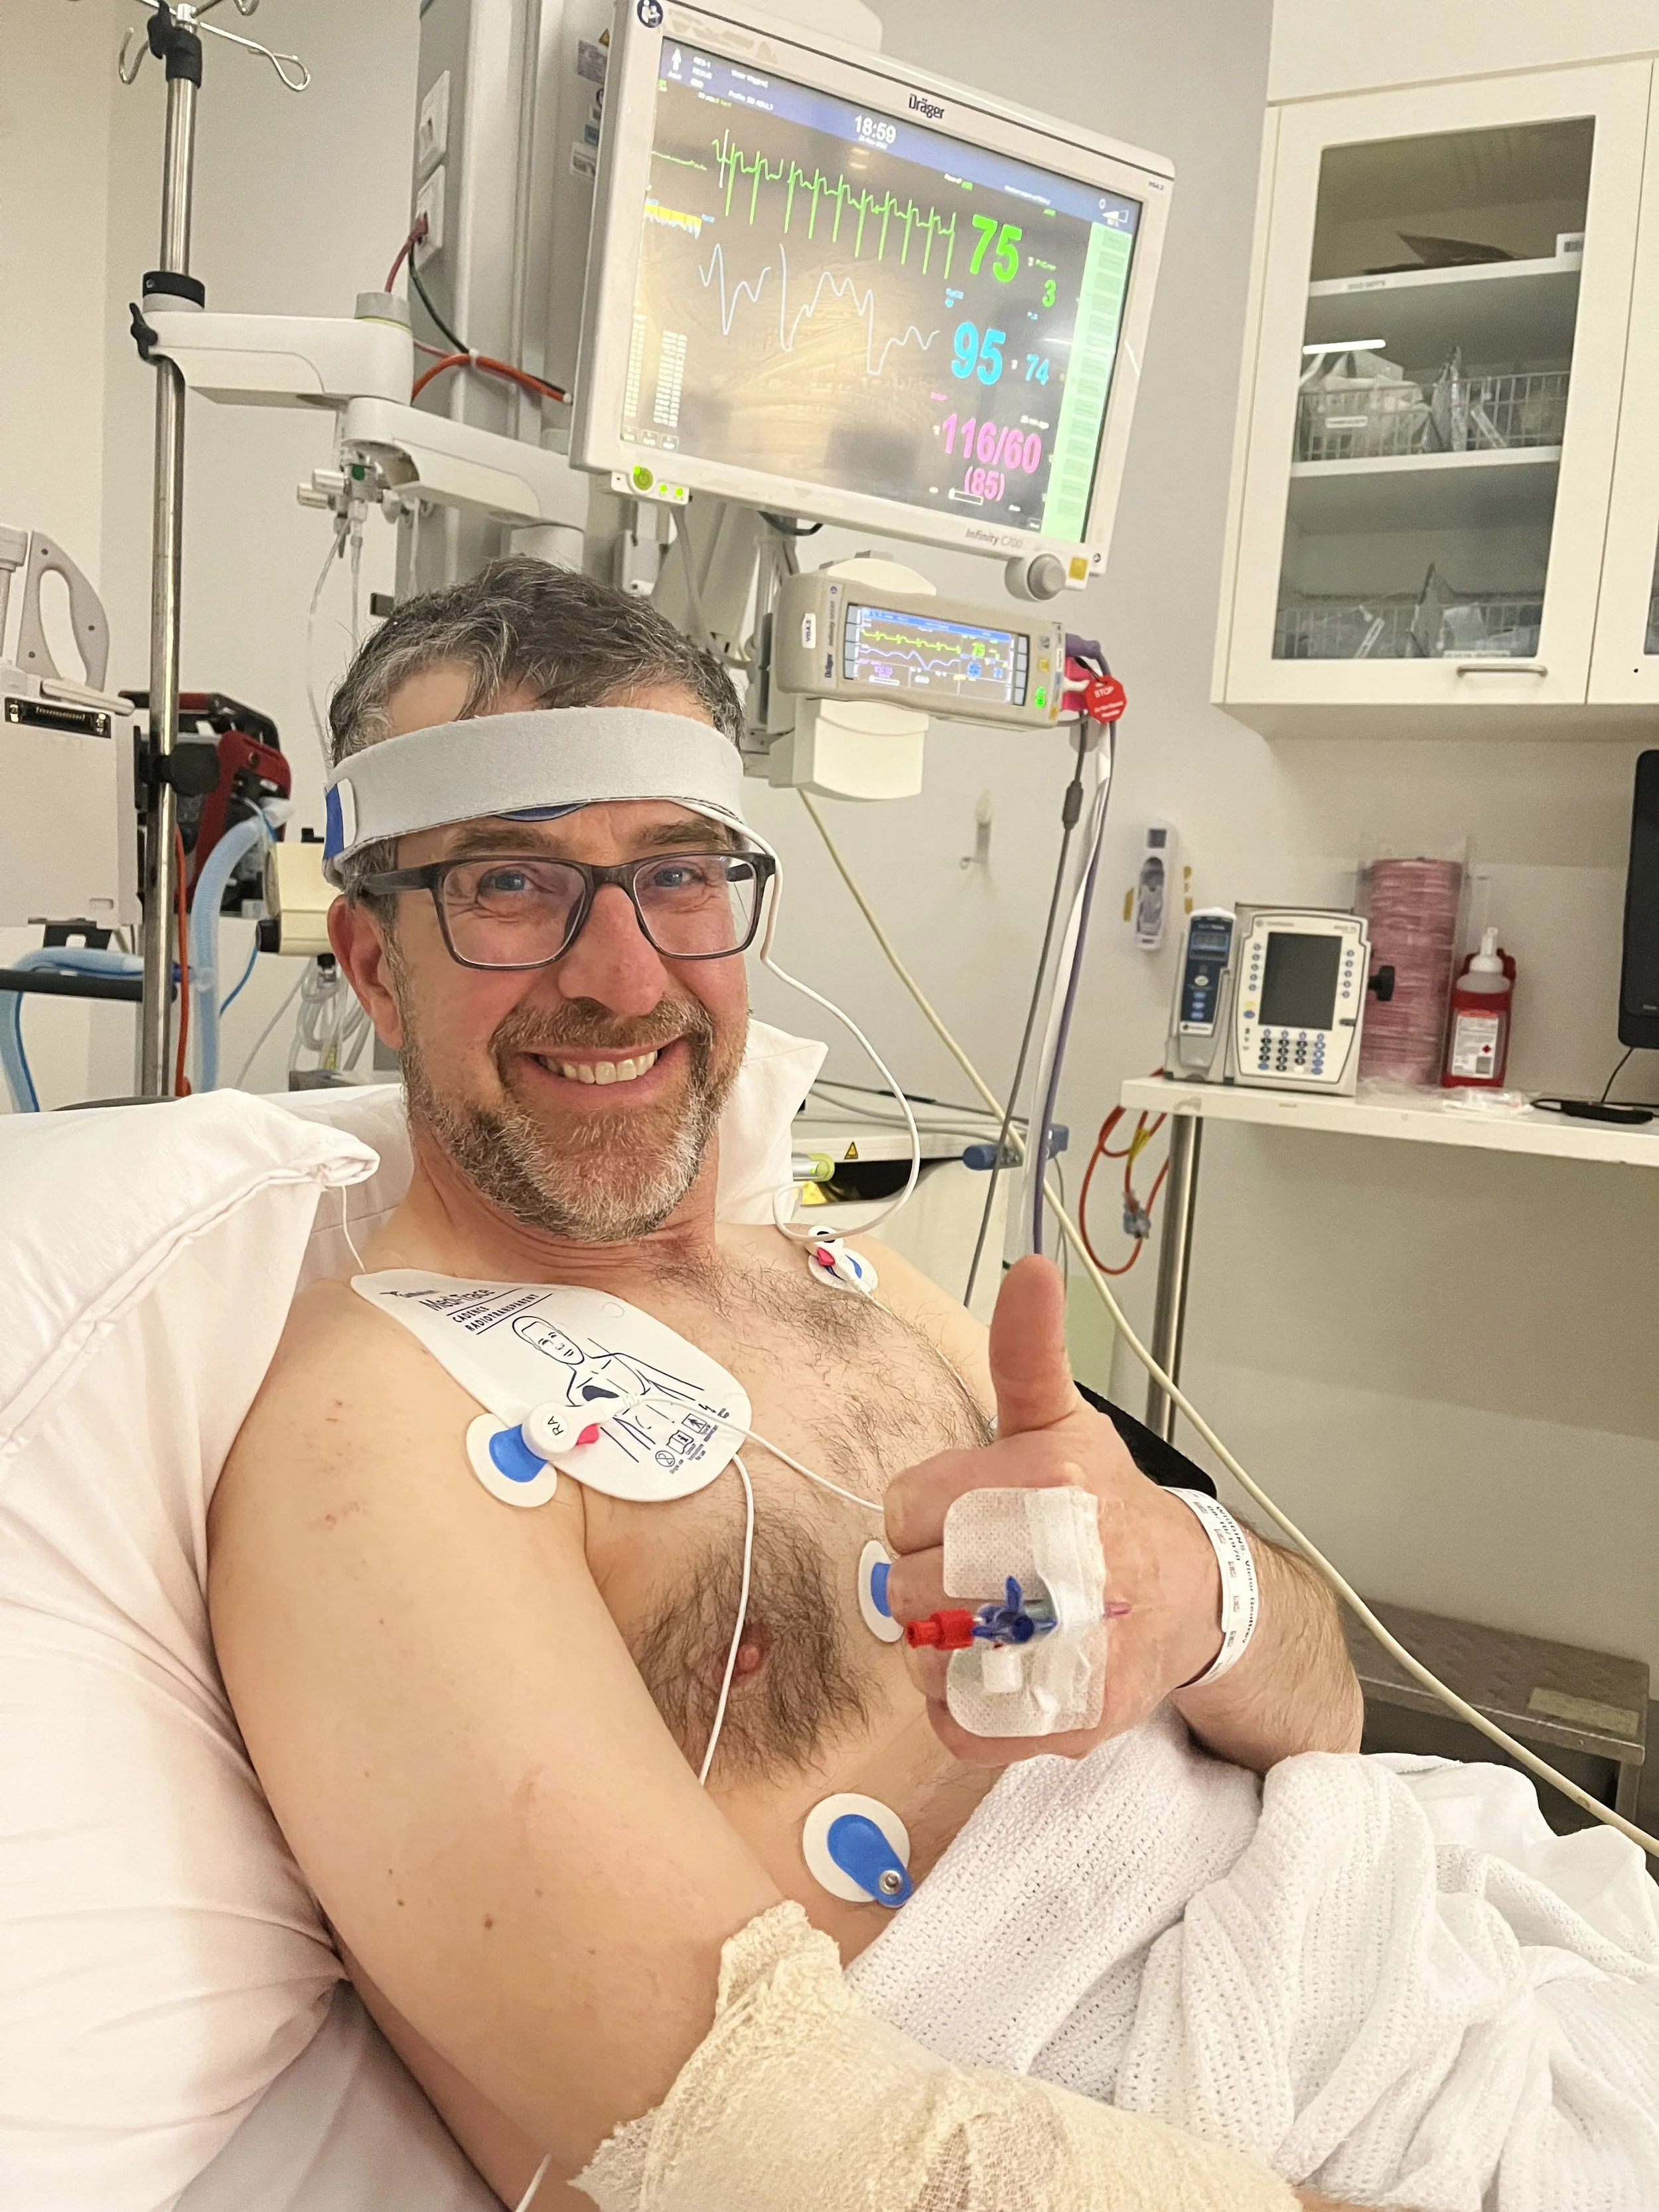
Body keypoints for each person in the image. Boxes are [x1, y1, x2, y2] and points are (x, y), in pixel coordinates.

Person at [209, 559, 1369, 2211]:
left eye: (673, 876)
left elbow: (1326, 1710)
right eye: (511, 886)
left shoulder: (845, 1283)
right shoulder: (372, 1442)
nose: (620, 975)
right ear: (377, 964)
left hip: (1401, 1944)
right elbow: (786, 2152)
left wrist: (1200, 1588)